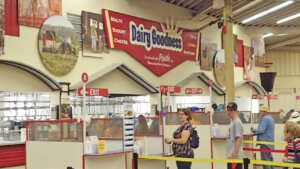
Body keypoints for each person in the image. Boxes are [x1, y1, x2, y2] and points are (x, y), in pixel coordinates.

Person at [226, 102, 244, 169]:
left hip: (235, 156)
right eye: (228, 110)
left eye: (231, 110)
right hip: (231, 155)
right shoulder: (232, 121)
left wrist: (235, 154)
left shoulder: (237, 122)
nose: (229, 112)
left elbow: (238, 139)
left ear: (235, 110)